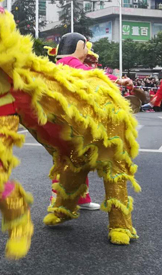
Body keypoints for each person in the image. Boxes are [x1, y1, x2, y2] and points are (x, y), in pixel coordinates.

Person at [52, 32, 101, 211]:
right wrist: (117, 80)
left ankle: (80, 198)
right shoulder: (71, 63)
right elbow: (94, 78)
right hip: (71, 120)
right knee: (68, 158)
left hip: (64, 118)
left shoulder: (59, 63)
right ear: (78, 47)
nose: (88, 50)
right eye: (86, 46)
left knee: (74, 158)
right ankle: (58, 203)